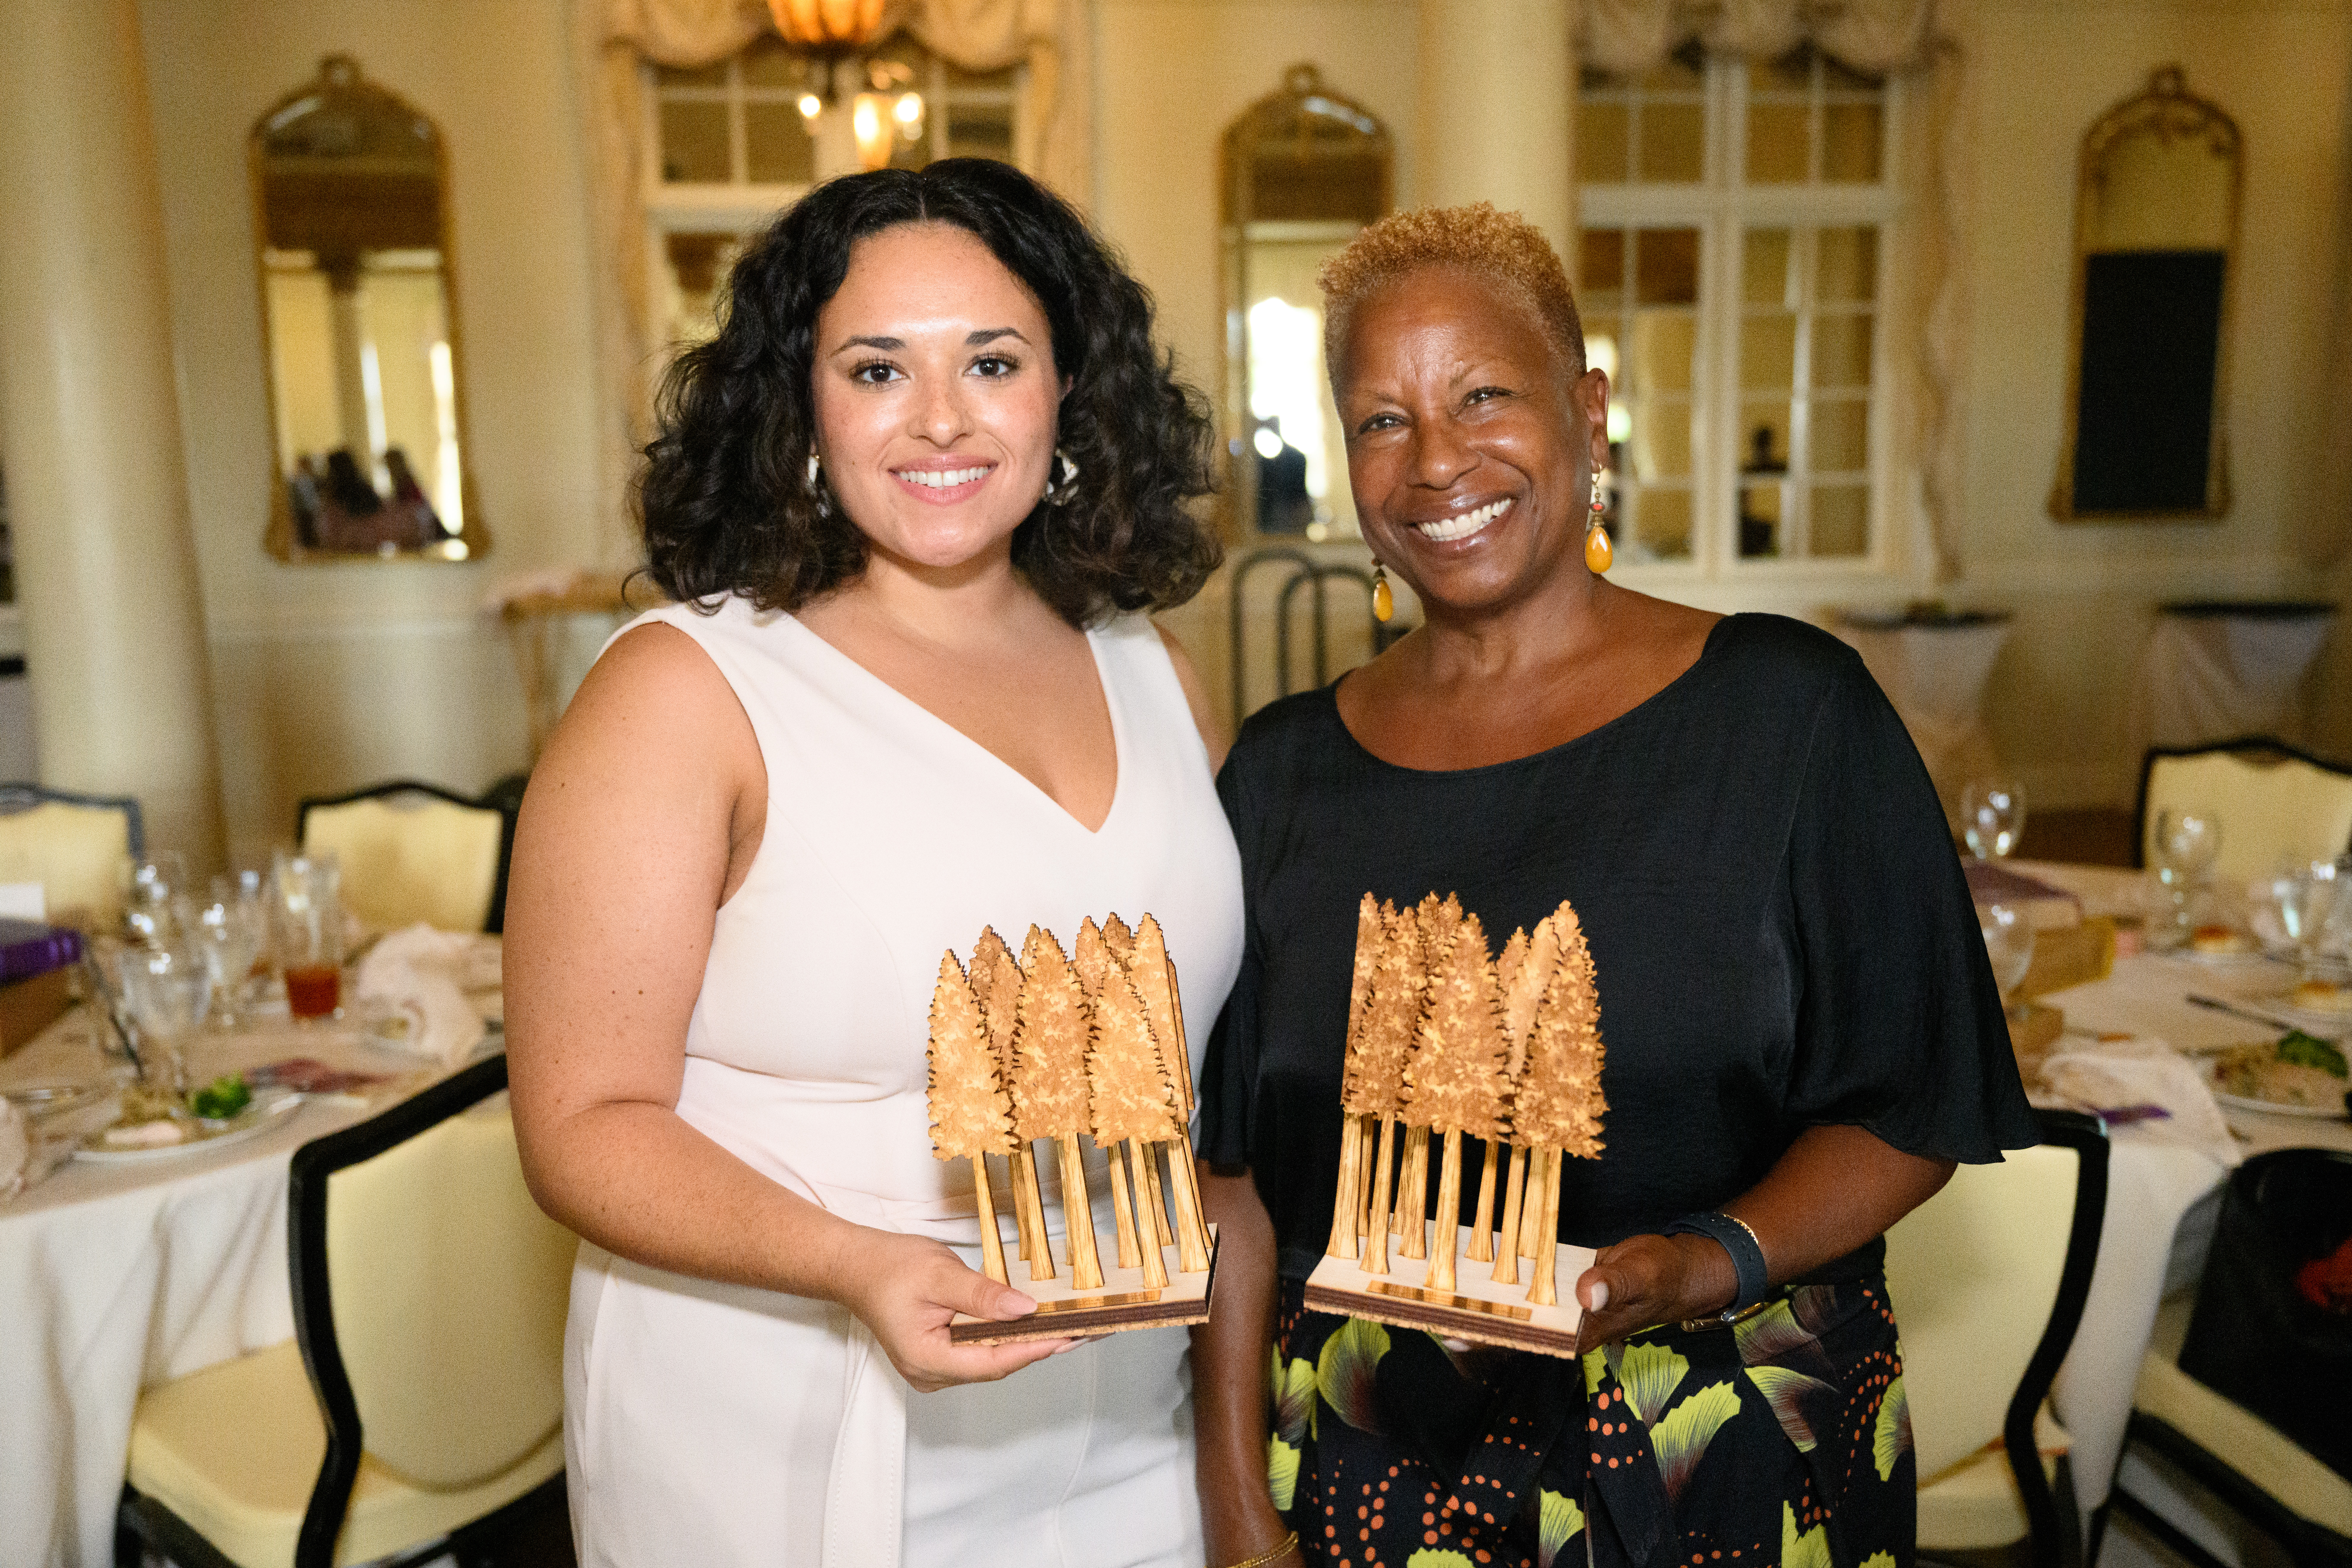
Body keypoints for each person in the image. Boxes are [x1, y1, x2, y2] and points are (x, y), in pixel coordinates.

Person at [1189, 204, 2038, 1568]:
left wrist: (1708, 1258)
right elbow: (1226, 1178)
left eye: (1483, 396)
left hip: (1717, 1447)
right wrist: (1236, 1502)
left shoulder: (1787, 716)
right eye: (1383, 421)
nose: (1435, 460)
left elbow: (1910, 1103)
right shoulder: (1280, 775)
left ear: (1587, 413)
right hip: (1363, 1461)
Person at [504, 159, 1242, 1566]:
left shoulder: (1154, 669)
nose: (941, 417)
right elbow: (580, 1120)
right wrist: (852, 1263)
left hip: (1134, 1421)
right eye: (877, 369)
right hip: (793, 1421)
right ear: (803, 407)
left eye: (993, 362)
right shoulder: (685, 690)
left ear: (1067, 394)